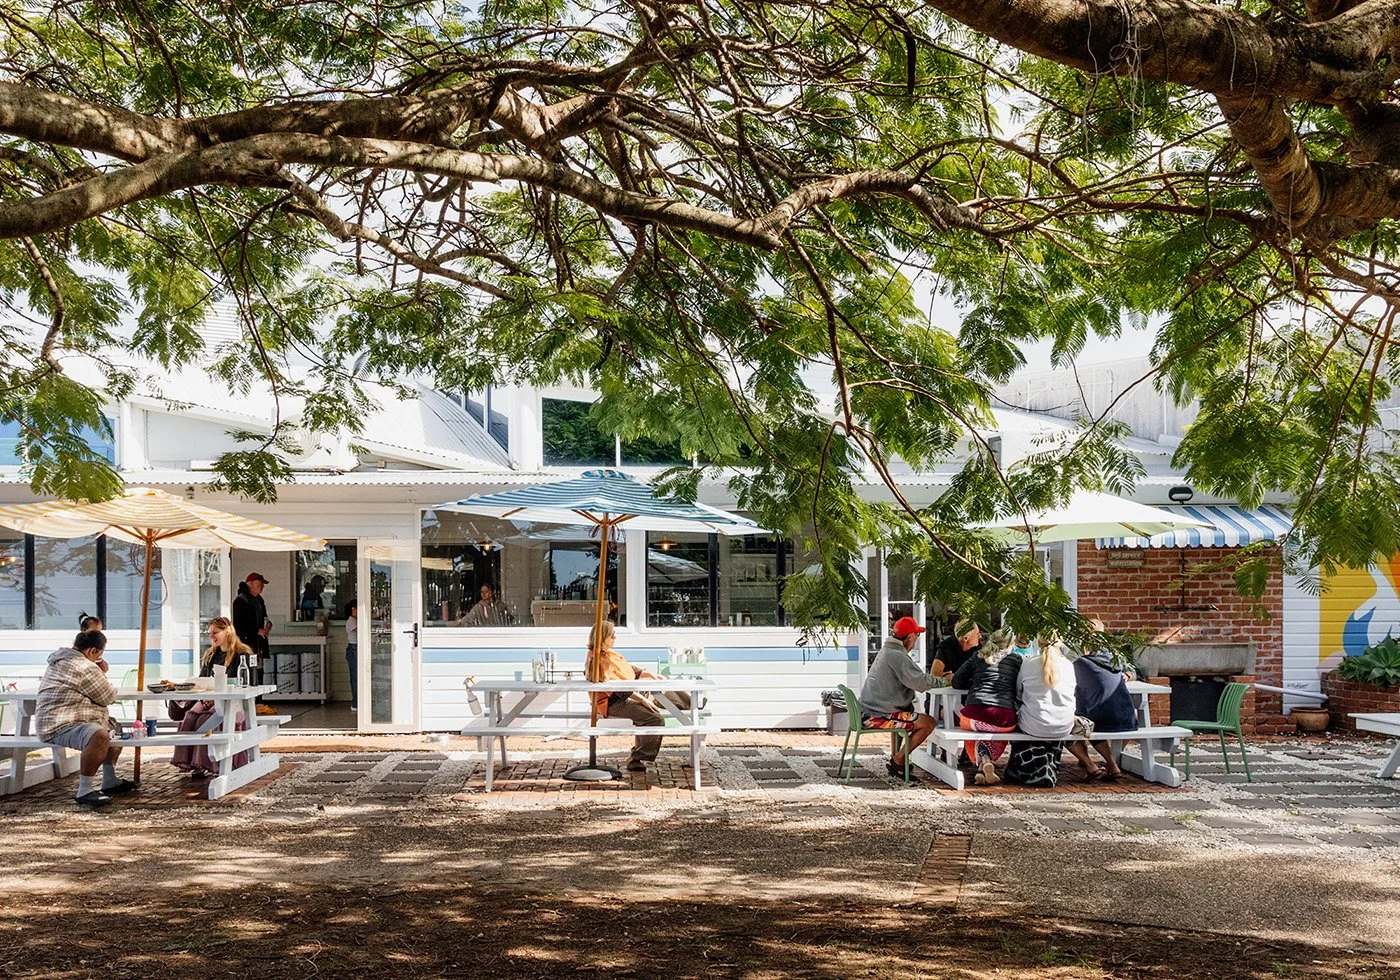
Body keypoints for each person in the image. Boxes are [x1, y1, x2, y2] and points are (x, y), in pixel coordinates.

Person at [33, 629, 134, 808]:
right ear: (92, 651)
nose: (100, 658)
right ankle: (85, 790)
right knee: (99, 735)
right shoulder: (85, 666)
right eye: (100, 654)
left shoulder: (60, 661)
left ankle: (109, 780)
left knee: (114, 729)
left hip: (51, 721)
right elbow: (107, 696)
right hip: (60, 725)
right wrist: (101, 672)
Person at [584, 620, 693, 772]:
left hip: (629, 693)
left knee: (661, 689)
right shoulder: (596, 660)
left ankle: (693, 703)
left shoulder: (610, 654)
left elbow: (629, 670)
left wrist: (649, 674)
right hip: (613, 702)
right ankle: (636, 757)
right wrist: (641, 699)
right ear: (602, 637)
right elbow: (616, 688)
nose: (615, 638)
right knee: (654, 718)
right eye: (612, 635)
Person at [858, 616, 939, 777]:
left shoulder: (887, 651)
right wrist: (944, 681)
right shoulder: (898, 656)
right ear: (909, 637)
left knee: (904, 711)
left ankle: (896, 757)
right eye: (917, 635)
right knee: (928, 723)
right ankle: (899, 760)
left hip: (868, 711)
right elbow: (920, 682)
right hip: (877, 716)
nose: (917, 640)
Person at [170, 617, 251, 777]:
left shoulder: (242, 654)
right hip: (209, 697)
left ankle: (205, 762)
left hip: (232, 701)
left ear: (227, 631)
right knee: (189, 717)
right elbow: (203, 680)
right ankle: (191, 762)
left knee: (203, 721)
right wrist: (205, 697)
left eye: (215, 633)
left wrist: (213, 697)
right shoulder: (211, 654)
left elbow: (241, 682)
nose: (212, 637)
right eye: (210, 633)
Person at [952, 628, 1023, 786]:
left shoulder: (978, 657)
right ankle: (983, 766)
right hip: (1004, 718)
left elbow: (956, 681)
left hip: (974, 713)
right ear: (1010, 645)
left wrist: (976, 682)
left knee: (973, 730)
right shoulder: (1017, 660)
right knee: (992, 731)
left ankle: (983, 763)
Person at [1064, 632, 1138, 781]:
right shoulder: (1115, 659)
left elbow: (1072, 686)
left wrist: (1129, 674)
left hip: (1102, 720)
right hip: (1129, 719)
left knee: (1072, 725)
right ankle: (1112, 763)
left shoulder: (1080, 663)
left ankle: (1093, 765)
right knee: (1091, 717)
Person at [1007, 635, 1078, 787]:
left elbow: (1018, 693)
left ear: (1038, 643)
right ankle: (1048, 763)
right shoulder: (1068, 665)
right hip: (1064, 725)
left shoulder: (1028, 664)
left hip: (1034, 725)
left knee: (1020, 721)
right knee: (1044, 721)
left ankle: (1028, 766)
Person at [232, 572, 271, 684]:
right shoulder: (241, 601)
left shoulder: (259, 600)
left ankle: (259, 700)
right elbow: (238, 626)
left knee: (259, 673)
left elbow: (264, 617)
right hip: (246, 645)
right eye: (259, 585)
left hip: (258, 646)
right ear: (250, 584)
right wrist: (257, 631)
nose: (262, 588)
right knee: (248, 674)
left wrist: (267, 625)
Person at [344, 599, 358, 713]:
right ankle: (355, 703)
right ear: (353, 609)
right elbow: (362, 630)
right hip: (354, 649)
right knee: (355, 677)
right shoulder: (351, 621)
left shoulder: (356, 620)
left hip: (357, 648)